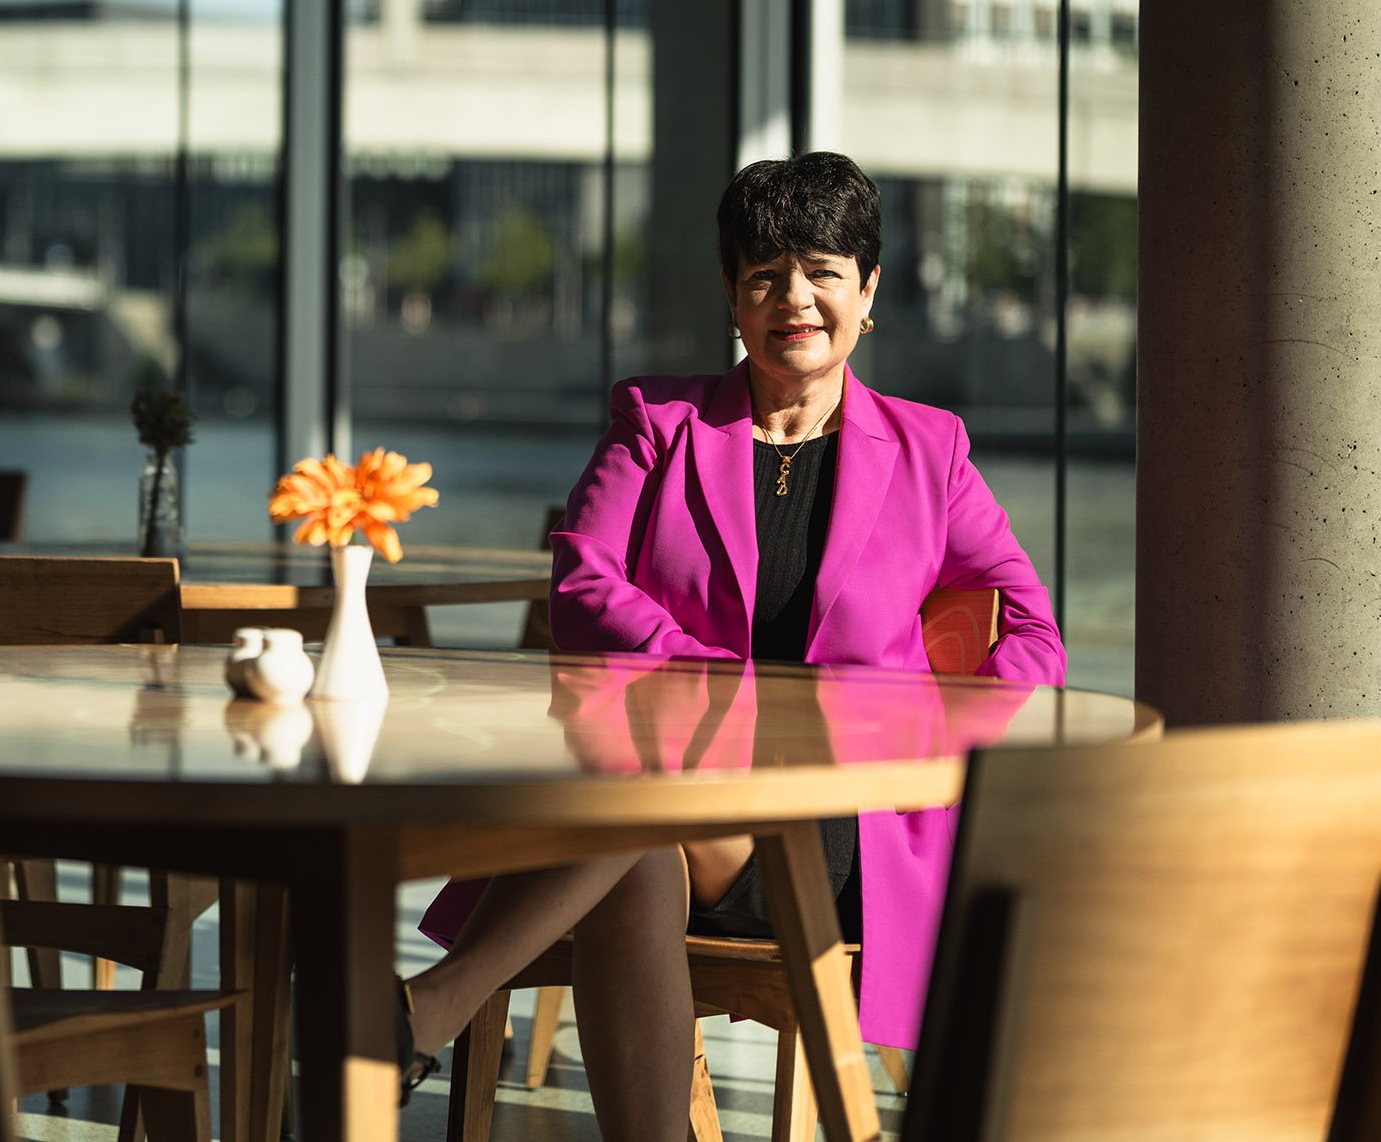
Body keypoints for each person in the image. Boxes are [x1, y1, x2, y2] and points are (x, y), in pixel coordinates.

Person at [393, 153, 1067, 1138]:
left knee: (630, 808)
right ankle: (431, 1015)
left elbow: (1032, 634)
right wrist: (715, 685)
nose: (793, 298)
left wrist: (920, 735)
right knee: (642, 837)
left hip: (836, 819)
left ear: (867, 290)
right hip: (672, 795)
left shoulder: (930, 450)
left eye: (823, 271)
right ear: (732, 295)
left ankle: (430, 1007)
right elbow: (582, 584)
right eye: (763, 275)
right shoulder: (655, 424)